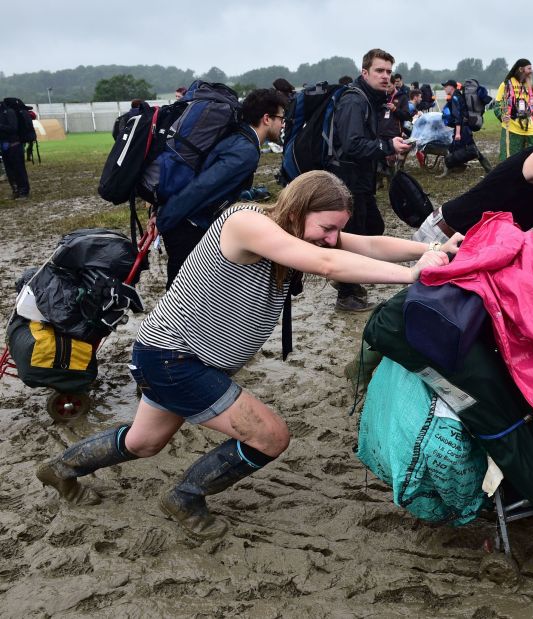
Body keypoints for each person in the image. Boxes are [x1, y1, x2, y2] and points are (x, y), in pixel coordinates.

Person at [36, 170, 461, 540]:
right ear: (298, 209)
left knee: (143, 442)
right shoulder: (246, 223)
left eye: (336, 230)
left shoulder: (294, 228)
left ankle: (60, 469)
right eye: (327, 227)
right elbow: (327, 263)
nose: (332, 238)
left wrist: (429, 251)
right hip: (174, 358)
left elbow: (365, 245)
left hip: (174, 357)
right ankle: (184, 498)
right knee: (270, 436)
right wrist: (411, 276)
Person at [156, 88, 288, 289]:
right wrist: (165, 218)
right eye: (281, 118)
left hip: (186, 220)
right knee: (183, 293)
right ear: (267, 119)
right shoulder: (246, 151)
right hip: (187, 226)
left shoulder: (240, 138)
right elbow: (204, 186)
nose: (283, 124)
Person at [326, 48, 412, 312]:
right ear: (365, 72)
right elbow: (352, 145)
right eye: (379, 71)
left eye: (388, 71)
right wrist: (387, 147)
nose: (385, 76)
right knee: (355, 233)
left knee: (372, 226)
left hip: (361, 178)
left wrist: (386, 147)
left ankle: (344, 277)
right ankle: (347, 293)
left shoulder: (370, 99)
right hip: (346, 180)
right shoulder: (355, 101)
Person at [494, 59, 533, 161]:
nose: (531, 71)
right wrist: (502, 116)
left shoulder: (531, 86)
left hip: (530, 129)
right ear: (521, 69)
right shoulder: (505, 85)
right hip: (512, 129)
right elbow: (497, 105)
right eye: (529, 68)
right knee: (510, 160)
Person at [440, 79, 489, 172]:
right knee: (462, 147)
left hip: (463, 128)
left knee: (470, 149)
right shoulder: (458, 95)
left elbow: (457, 116)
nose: (444, 88)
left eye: (445, 86)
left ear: (451, 87)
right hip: (465, 126)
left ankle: (448, 170)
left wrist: (458, 133)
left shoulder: (455, 97)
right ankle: (454, 168)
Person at [0, 97, 36, 199]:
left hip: (14, 145)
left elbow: (13, 128)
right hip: (4, 146)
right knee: (9, 170)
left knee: (19, 170)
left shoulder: (9, 112)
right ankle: (15, 190)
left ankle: (24, 191)